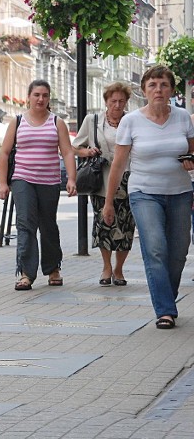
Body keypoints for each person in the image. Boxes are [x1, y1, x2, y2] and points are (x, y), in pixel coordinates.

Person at [103, 65, 194, 330]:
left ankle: (166, 296)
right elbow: (118, 165)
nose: (158, 89)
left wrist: (190, 162)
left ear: (171, 90)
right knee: (155, 248)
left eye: (163, 85)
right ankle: (165, 310)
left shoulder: (182, 118)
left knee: (178, 253)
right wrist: (108, 202)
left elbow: (191, 152)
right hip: (143, 193)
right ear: (144, 90)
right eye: (152, 85)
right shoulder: (131, 121)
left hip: (179, 192)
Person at [0, 79, 77, 291]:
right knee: (25, 225)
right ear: (29, 97)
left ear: (49, 98)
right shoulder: (17, 121)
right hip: (22, 179)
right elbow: (4, 153)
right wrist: (3, 183)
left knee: (48, 225)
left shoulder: (56, 122)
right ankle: (26, 273)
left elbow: (67, 151)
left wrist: (71, 178)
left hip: (49, 181)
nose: (40, 99)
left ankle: (53, 269)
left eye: (44, 95)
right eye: (36, 95)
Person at [72, 82, 135, 287]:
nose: (117, 105)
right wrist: (87, 151)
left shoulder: (133, 120)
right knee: (103, 224)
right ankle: (107, 267)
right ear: (106, 101)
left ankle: (119, 268)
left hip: (128, 178)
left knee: (126, 225)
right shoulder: (93, 120)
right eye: (113, 101)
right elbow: (75, 147)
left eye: (121, 101)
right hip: (102, 178)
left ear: (126, 102)